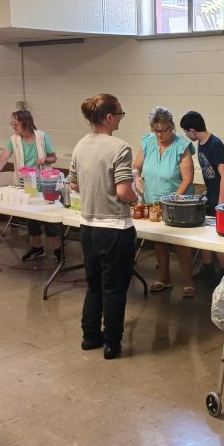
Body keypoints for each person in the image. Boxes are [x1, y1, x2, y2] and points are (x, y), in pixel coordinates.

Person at [69, 94, 136, 360]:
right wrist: (136, 198)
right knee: (115, 290)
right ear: (109, 117)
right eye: (120, 114)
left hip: (87, 227)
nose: (121, 118)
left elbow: (74, 184)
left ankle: (90, 337)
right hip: (115, 229)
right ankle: (111, 343)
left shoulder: (80, 145)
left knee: (94, 286)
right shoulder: (120, 148)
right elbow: (123, 191)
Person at [133, 106, 196, 297]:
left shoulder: (181, 146)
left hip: (176, 203)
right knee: (159, 242)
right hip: (152, 200)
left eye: (164, 130)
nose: (160, 135)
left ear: (172, 127)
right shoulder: (148, 142)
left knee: (180, 244)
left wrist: (171, 200)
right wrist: (137, 178)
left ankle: (188, 282)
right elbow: (136, 166)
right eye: (156, 130)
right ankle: (164, 278)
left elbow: (187, 179)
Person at [0, 109, 62, 263]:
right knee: (31, 217)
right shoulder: (14, 140)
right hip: (27, 185)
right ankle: (37, 248)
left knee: (49, 218)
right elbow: (3, 157)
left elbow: (53, 157)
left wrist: (45, 160)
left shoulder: (42, 137)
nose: (13, 126)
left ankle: (58, 250)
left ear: (25, 122)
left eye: (15, 124)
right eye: (12, 123)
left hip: (45, 185)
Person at [180, 110, 224, 285]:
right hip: (212, 194)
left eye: (185, 131)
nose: (186, 135)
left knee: (217, 236)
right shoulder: (201, 143)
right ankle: (207, 268)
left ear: (192, 130)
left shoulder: (215, 144)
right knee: (203, 231)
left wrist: (221, 204)